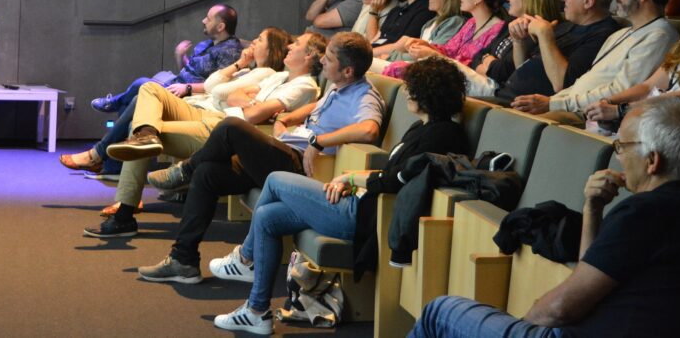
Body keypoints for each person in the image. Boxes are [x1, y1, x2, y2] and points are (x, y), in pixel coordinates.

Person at [210, 58, 470, 335]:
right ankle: (257, 312)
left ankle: (245, 258)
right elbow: (391, 172)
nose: (407, 93)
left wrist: (351, 179)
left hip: (366, 218)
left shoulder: (443, 135)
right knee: (267, 216)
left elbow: (397, 181)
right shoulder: (422, 127)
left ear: (428, 94)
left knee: (275, 180)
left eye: (412, 88)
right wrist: (354, 181)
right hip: (362, 201)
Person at [410, 96, 680, 338]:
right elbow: (590, 272)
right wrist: (592, 208)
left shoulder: (643, 212)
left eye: (622, 146)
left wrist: (523, 324)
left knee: (439, 312)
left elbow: (561, 309)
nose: (619, 157)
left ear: (652, 161)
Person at [134, 32, 385, 283]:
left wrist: (318, 141)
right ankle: (183, 260)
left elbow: (369, 130)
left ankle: (184, 171)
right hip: (283, 151)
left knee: (231, 127)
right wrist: (288, 117)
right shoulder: (339, 84)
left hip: (300, 168)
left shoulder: (364, 96)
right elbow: (318, 106)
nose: (322, 62)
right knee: (207, 173)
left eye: (329, 59)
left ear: (348, 71)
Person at [82, 31, 326, 238]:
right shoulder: (280, 76)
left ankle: (124, 215)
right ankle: (145, 135)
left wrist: (250, 103)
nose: (290, 46)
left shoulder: (305, 85)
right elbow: (232, 95)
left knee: (142, 129)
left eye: (297, 44)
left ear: (309, 56)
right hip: (213, 114)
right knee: (149, 89)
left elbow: (252, 115)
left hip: (225, 130)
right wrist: (250, 102)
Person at [60, 27, 290, 175]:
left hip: (205, 112)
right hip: (197, 102)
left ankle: (101, 155)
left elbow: (217, 89)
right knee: (142, 95)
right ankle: (106, 161)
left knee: (143, 91)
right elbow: (213, 85)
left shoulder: (265, 73)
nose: (252, 42)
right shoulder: (244, 70)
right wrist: (239, 66)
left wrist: (235, 70)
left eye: (260, 39)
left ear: (272, 49)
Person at [512, 0, 679, 123]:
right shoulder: (620, 34)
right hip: (569, 106)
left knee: (519, 124)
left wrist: (553, 104)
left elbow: (620, 91)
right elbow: (585, 82)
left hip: (588, 116)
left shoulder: (659, 36)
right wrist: (551, 101)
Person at [586, 0, 680, 130]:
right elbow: (649, 86)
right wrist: (609, 101)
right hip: (656, 120)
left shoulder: (661, 33)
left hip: (678, 129)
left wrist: (621, 110)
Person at [89, 4, 242, 114]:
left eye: (208, 18)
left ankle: (112, 103)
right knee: (131, 101)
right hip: (176, 84)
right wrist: (181, 56)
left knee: (141, 84)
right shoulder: (207, 44)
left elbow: (219, 86)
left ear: (220, 27)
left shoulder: (230, 52)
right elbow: (191, 71)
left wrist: (187, 88)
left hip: (189, 95)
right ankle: (116, 149)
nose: (203, 20)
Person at [496, 0, 619, 103]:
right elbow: (521, 68)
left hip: (526, 108)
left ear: (588, 2)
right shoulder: (567, 25)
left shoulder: (603, 36)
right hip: (507, 96)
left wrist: (545, 35)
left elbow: (561, 84)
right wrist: (519, 41)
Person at [457, 0, 565, 98]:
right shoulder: (511, 21)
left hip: (498, 94)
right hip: (485, 83)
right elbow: (478, 55)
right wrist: (487, 60)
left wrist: (487, 63)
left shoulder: (538, 32)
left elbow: (505, 72)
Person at [381, 0, 506, 79]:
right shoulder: (471, 23)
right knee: (393, 68)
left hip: (460, 80)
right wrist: (425, 45)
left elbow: (472, 66)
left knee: (394, 69)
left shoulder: (498, 29)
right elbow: (448, 50)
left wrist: (431, 53)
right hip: (448, 74)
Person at [370, 0, 465, 71]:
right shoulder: (431, 22)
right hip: (413, 65)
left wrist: (393, 56)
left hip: (423, 69)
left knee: (368, 63)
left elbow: (430, 54)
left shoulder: (454, 21)